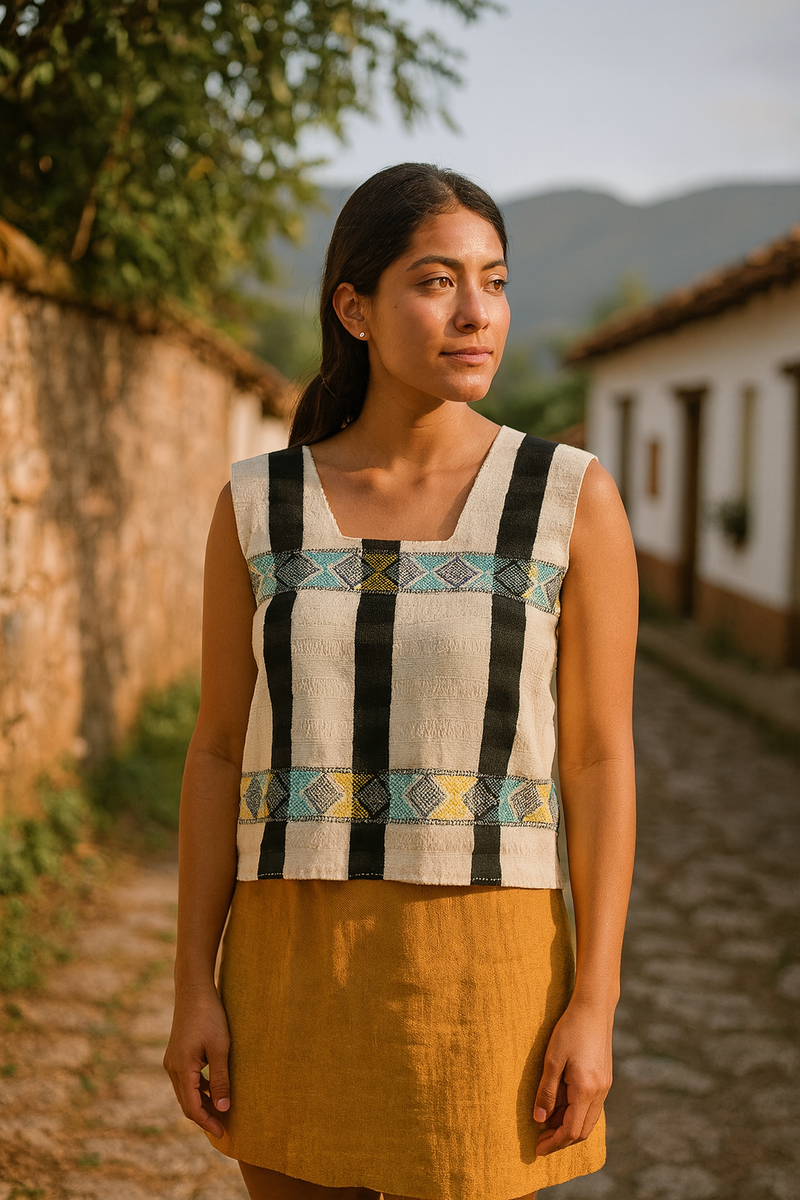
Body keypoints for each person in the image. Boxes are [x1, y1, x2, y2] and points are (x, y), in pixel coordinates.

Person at [164, 162, 638, 1200]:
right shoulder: (261, 504)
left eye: (495, 281)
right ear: (355, 308)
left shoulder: (564, 501)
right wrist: (192, 987)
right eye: (435, 282)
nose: (475, 313)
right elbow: (213, 751)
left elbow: (599, 762)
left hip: (486, 977)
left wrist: (591, 1002)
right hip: (291, 969)